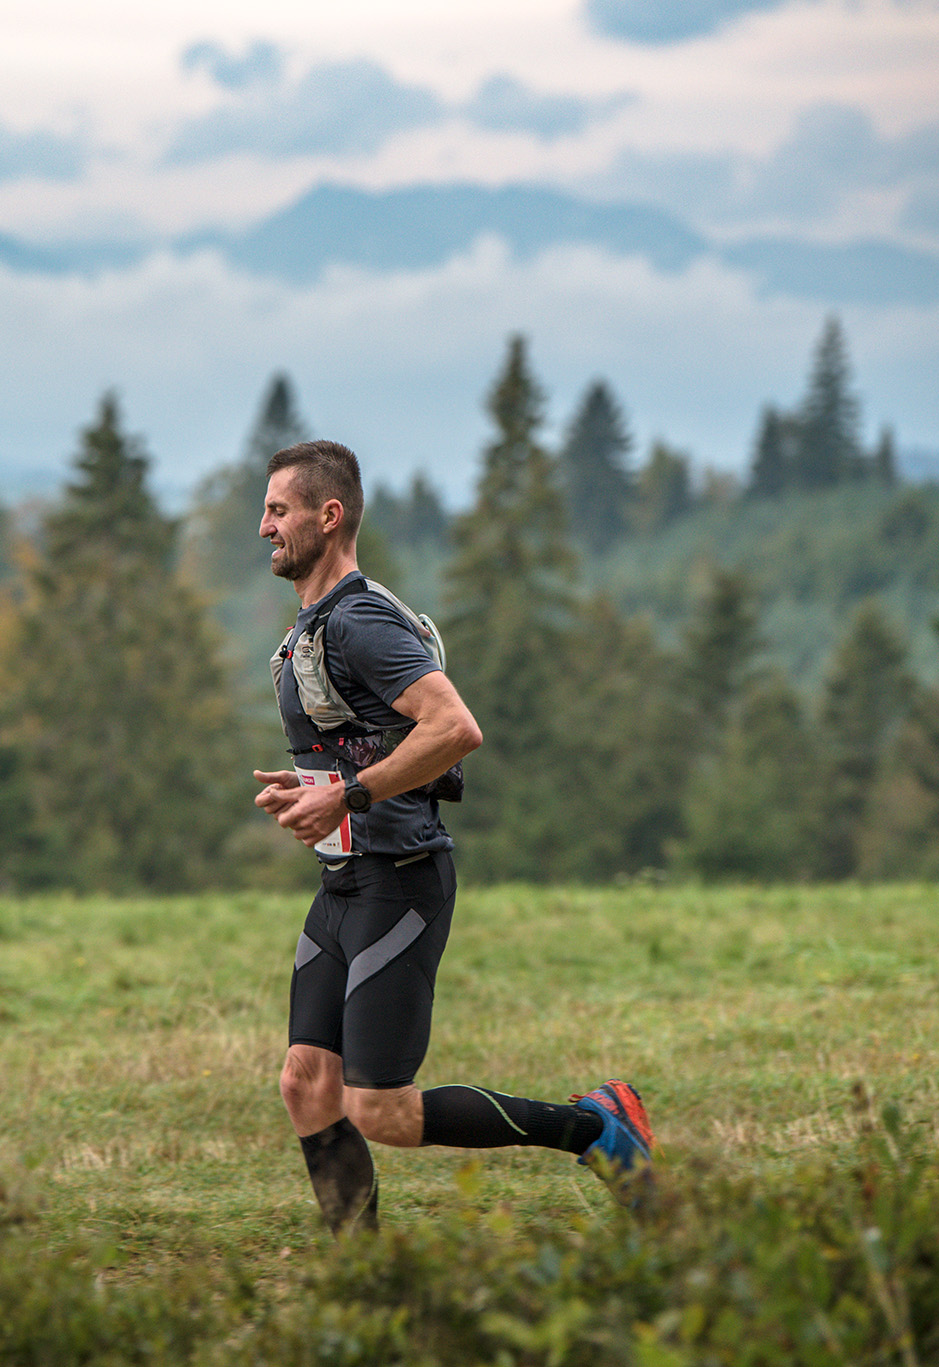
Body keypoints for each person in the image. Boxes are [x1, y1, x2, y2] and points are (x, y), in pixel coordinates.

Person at [251, 439, 654, 1236]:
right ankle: (360, 1282)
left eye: (278, 510)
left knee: (381, 1108)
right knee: (306, 1084)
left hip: (399, 880)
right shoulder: (317, 625)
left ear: (329, 517)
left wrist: (350, 795)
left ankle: (597, 1128)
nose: (264, 527)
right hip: (343, 887)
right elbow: (368, 743)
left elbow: (455, 727)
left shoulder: (359, 619)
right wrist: (318, 788)